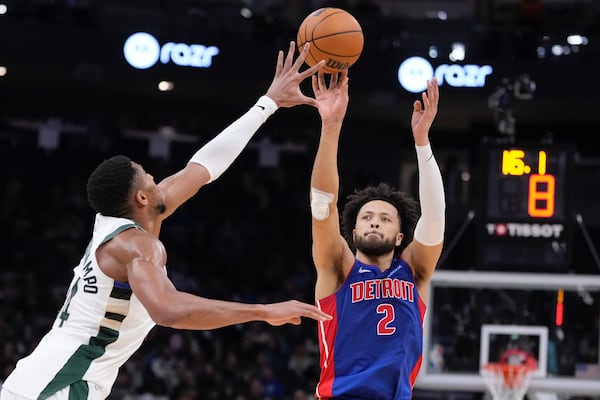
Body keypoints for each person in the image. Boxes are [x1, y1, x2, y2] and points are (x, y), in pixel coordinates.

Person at [0, 41, 332, 400]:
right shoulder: (135, 246)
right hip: (58, 386)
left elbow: (203, 167)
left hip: (49, 380)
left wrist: (267, 104)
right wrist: (264, 311)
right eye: (148, 177)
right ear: (142, 198)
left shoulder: (134, 218)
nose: (158, 179)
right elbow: (168, 310)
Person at [308, 71, 445, 399]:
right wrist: (331, 126)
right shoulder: (338, 268)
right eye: (367, 217)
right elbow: (322, 204)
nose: (374, 222)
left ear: (400, 236)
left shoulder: (414, 271)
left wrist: (422, 141)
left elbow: (435, 216)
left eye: (385, 219)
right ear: (353, 232)